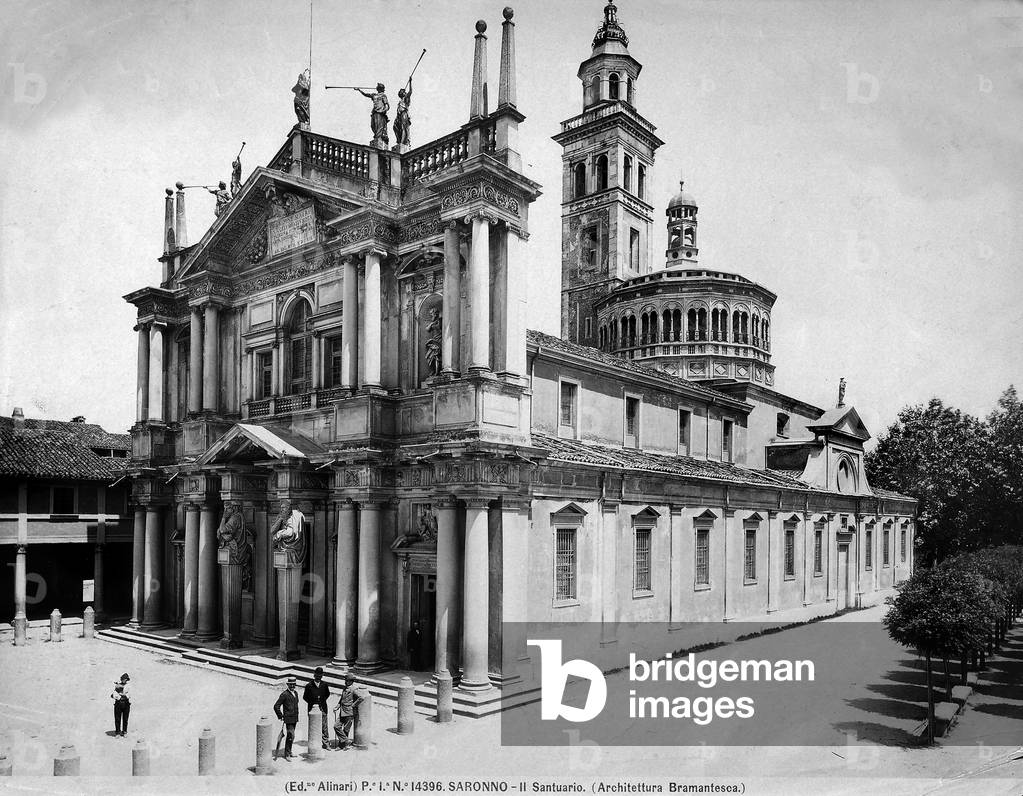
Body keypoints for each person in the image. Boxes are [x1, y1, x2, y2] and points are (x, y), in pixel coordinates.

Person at [333, 674, 366, 751]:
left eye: (347, 680)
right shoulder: (344, 688)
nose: (345, 682)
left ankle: (342, 745)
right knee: (336, 726)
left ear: (351, 681)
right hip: (342, 711)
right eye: (345, 680)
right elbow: (341, 699)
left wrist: (353, 705)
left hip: (349, 712)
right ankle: (346, 741)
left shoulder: (354, 689)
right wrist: (337, 707)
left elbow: (361, 697)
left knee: (346, 729)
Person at [302, 667, 331, 750]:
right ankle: (315, 743)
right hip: (313, 709)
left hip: (323, 708)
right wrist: (313, 702)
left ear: (322, 676)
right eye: (317, 676)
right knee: (314, 726)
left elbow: (327, 694)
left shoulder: (324, 685)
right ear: (314, 675)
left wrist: (321, 700)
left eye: (320, 676)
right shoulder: (309, 686)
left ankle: (326, 743)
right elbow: (305, 697)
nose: (318, 677)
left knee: (324, 727)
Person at [273, 676, 300, 761]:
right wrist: (280, 716)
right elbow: (276, 706)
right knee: (291, 735)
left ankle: (289, 751)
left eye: (293, 685)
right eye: (290, 685)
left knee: (290, 736)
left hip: (295, 718)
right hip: (288, 719)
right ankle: (287, 754)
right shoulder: (284, 694)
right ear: (287, 685)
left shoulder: (296, 693)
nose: (292, 686)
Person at [356, 83, 389, 148]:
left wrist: (384, 110)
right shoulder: (374, 95)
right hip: (375, 112)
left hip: (380, 112)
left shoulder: (383, 96)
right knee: (373, 125)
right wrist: (359, 90)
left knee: (379, 126)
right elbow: (366, 94)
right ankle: (377, 136)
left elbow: (387, 105)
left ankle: (378, 138)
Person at [393, 79, 413, 148]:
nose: (401, 92)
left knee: (403, 127)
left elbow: (410, 92)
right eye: (401, 92)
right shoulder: (400, 101)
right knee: (395, 127)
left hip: (404, 114)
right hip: (399, 116)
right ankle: (399, 140)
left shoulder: (406, 98)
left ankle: (403, 141)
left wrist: (410, 82)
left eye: (403, 91)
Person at [110, 672, 131, 737]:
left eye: (126, 679)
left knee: (125, 719)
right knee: (117, 718)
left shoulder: (128, 686)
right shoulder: (117, 685)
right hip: (118, 704)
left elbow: (130, 694)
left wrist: (124, 695)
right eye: (123, 679)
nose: (124, 680)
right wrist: (119, 696)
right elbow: (113, 694)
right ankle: (118, 732)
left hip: (126, 703)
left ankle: (124, 731)